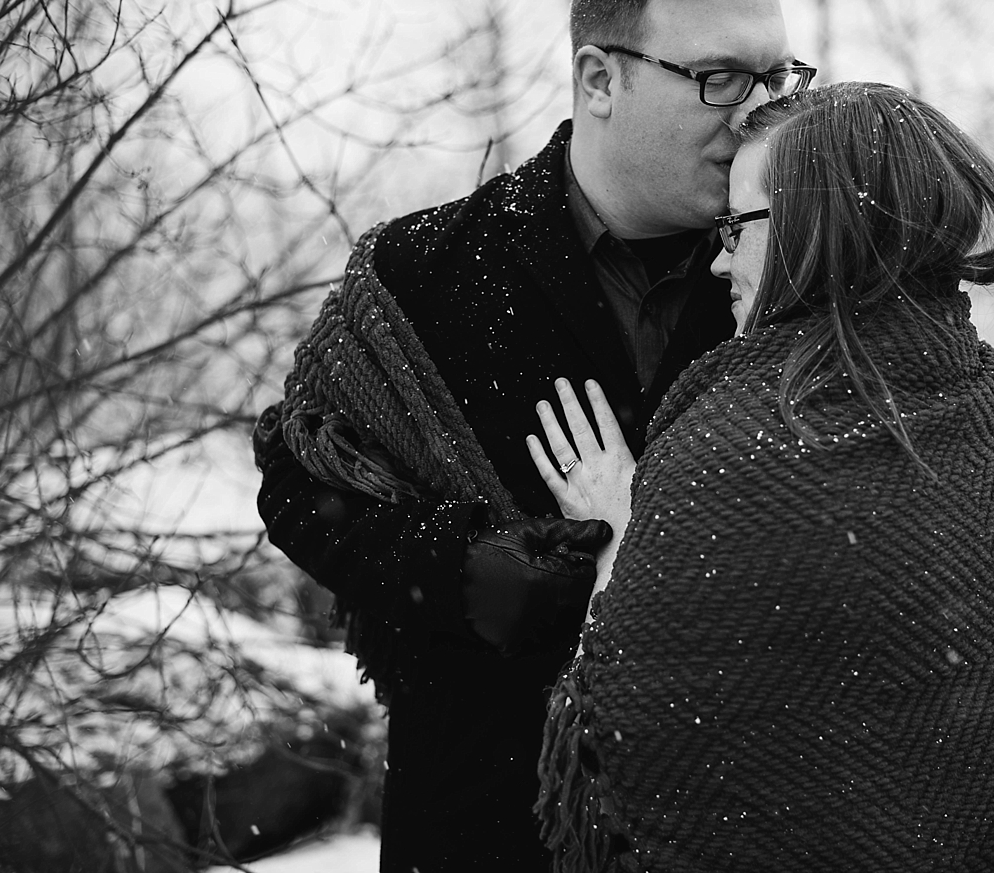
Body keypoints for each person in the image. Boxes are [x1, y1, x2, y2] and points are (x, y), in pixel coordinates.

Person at [251, 1, 811, 869]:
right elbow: (299, 470)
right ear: (599, 80)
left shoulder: (794, 275)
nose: (758, 112)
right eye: (721, 78)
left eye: (776, 78)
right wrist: (469, 571)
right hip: (480, 822)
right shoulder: (425, 270)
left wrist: (650, 541)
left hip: (723, 824)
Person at [533, 82, 994, 872]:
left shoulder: (739, 455)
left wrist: (622, 546)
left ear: (818, 227)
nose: (719, 257)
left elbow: (625, 751)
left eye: (737, 226)